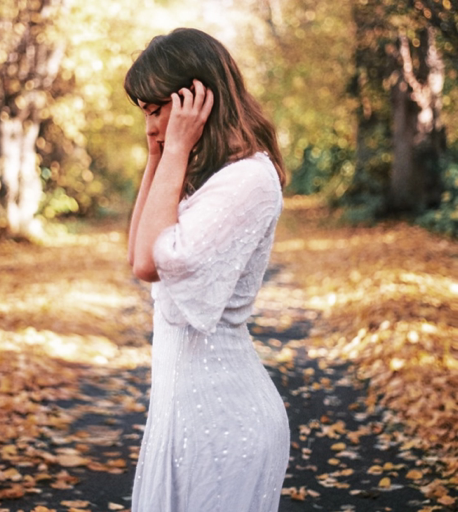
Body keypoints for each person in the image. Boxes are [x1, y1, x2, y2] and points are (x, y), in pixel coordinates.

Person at [124, 27, 290, 512]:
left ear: (196, 98)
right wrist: (158, 155)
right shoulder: (211, 178)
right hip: (186, 418)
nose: (150, 126)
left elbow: (151, 262)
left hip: (225, 424)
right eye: (145, 114)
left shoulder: (248, 179)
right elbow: (138, 253)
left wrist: (173, 152)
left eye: (156, 110)